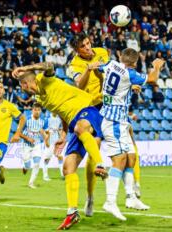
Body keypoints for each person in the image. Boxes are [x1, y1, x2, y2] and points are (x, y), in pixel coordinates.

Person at [12, 62, 107, 230]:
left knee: (80, 128)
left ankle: (100, 163)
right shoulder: (39, 99)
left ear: (25, 83)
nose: (23, 89)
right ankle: (72, 213)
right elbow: (62, 111)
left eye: (22, 86)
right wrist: (63, 135)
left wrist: (26, 68)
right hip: (73, 123)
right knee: (68, 168)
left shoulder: (44, 79)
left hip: (88, 109)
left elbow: (49, 65)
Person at [95, 48, 164, 220]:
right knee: (120, 160)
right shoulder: (130, 73)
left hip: (121, 121)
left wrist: (127, 87)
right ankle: (110, 202)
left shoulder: (111, 64)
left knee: (131, 157)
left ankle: (130, 197)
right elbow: (153, 79)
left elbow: (99, 68)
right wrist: (156, 66)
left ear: (120, 56)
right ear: (134, 63)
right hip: (113, 122)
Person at [66, 32, 109, 218]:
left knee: (96, 147)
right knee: (93, 146)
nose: (88, 48)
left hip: (105, 104)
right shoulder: (74, 65)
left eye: (88, 43)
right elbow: (79, 87)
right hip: (88, 106)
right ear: (77, 50)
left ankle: (90, 196)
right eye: (83, 46)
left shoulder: (102, 52)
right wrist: (89, 69)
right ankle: (88, 196)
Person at [20, 103, 49, 188]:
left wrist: (46, 140)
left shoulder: (43, 120)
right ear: (32, 110)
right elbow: (19, 133)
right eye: (35, 110)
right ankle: (25, 167)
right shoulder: (26, 119)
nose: (37, 112)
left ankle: (31, 183)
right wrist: (28, 138)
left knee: (37, 163)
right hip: (26, 144)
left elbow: (46, 132)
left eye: (39, 110)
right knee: (28, 165)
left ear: (41, 111)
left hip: (37, 144)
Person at [44, 112, 64, 179]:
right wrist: (46, 141)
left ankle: (62, 174)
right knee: (47, 159)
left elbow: (60, 129)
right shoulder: (47, 119)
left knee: (60, 156)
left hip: (57, 141)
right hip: (50, 141)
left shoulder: (59, 119)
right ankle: (45, 176)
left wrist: (61, 138)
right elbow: (45, 131)